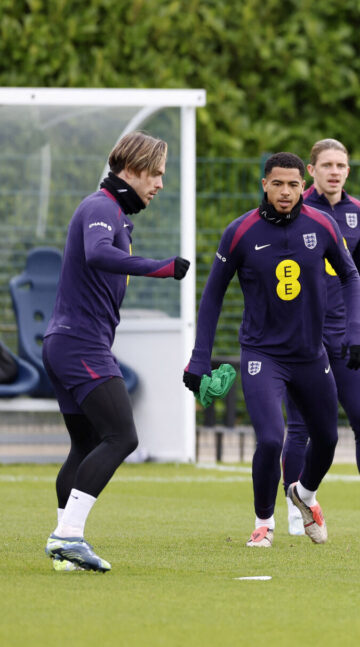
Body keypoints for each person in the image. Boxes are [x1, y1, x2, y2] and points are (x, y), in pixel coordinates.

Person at [184, 152, 360, 548]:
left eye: (294, 184)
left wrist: (355, 332)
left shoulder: (322, 224)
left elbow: (352, 277)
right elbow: (212, 296)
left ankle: (304, 496)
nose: (286, 192)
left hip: (310, 354)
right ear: (264, 184)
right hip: (262, 355)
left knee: (328, 439)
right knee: (270, 439)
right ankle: (263, 522)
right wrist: (199, 358)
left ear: (305, 185)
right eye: (278, 184)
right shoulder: (240, 232)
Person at [44, 131, 191, 572]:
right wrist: (160, 267)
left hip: (67, 343)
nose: (160, 184)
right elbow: (96, 254)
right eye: (157, 174)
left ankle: (63, 546)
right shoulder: (100, 207)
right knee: (123, 437)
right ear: (134, 168)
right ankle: (68, 536)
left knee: (85, 443)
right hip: (79, 344)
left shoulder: (112, 213)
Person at [280, 138, 360, 537]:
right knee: (300, 427)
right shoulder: (296, 211)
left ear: (348, 171)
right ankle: (294, 508)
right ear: (311, 171)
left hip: (345, 336)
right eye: (327, 165)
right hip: (302, 340)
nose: (335, 171)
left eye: (342, 165)